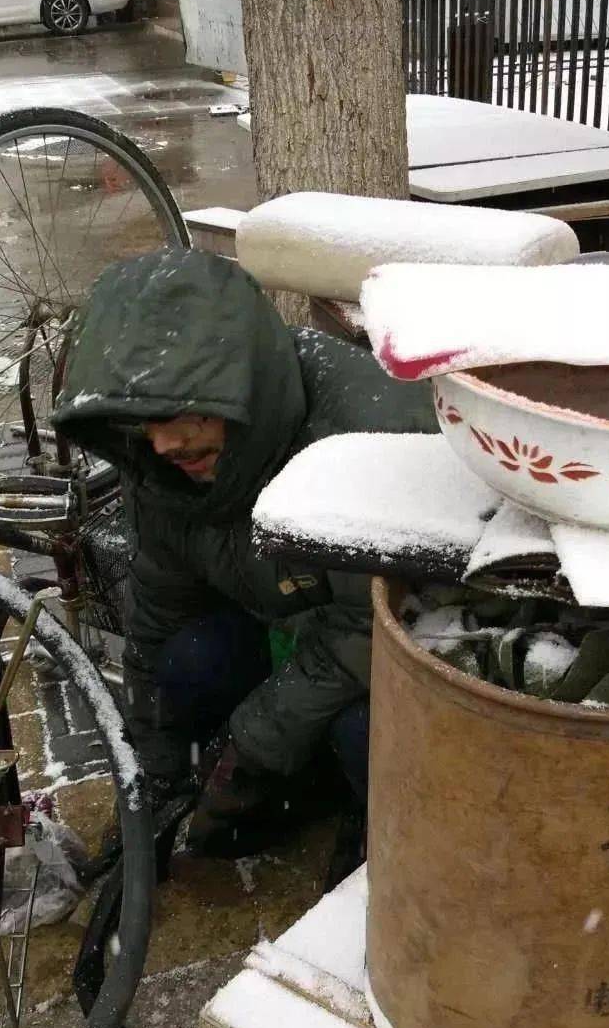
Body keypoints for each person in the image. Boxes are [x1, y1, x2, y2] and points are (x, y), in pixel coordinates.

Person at [53, 248, 436, 854]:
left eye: (185, 414)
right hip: (285, 619)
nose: (167, 442)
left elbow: (374, 627)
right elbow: (153, 625)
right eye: (147, 421)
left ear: (242, 387)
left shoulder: (363, 438)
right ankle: (291, 783)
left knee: (367, 730)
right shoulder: (161, 466)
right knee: (190, 662)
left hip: (399, 645)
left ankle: (388, 838)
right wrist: (153, 781)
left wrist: (252, 743)